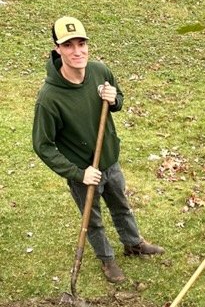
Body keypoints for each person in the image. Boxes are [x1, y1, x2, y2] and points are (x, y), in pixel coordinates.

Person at [32, 16, 164, 283]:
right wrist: (78, 173)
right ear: (57, 48)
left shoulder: (100, 71)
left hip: (110, 161)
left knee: (122, 206)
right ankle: (107, 260)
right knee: (92, 220)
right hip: (83, 172)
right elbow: (42, 145)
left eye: (82, 43)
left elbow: (120, 99)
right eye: (69, 45)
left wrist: (114, 100)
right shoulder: (49, 98)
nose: (77, 51)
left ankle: (133, 243)